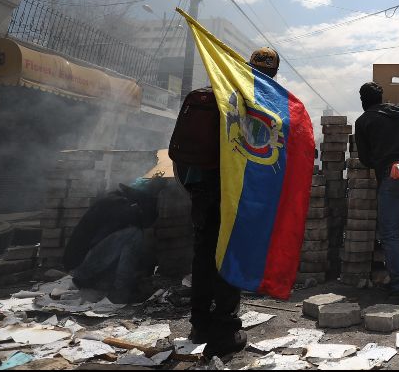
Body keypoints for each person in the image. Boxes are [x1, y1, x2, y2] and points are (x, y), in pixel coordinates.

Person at [176, 47, 280, 358]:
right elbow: (265, 156)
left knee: (203, 255)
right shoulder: (260, 103)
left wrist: (194, 189)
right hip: (234, 192)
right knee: (230, 256)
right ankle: (225, 331)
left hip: (201, 190)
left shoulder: (209, 96)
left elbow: (181, 153)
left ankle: (199, 325)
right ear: (273, 73)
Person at [354, 82, 399, 313]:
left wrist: (379, 159)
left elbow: (366, 159)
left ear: (363, 100)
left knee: (390, 234)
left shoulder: (364, 121)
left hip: (395, 174)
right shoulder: (398, 113)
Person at [63, 175, 167, 304]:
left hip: (84, 267)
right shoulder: (122, 207)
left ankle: (103, 284)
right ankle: (121, 291)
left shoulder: (116, 202)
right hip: (82, 268)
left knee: (132, 237)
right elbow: (145, 223)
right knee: (134, 235)